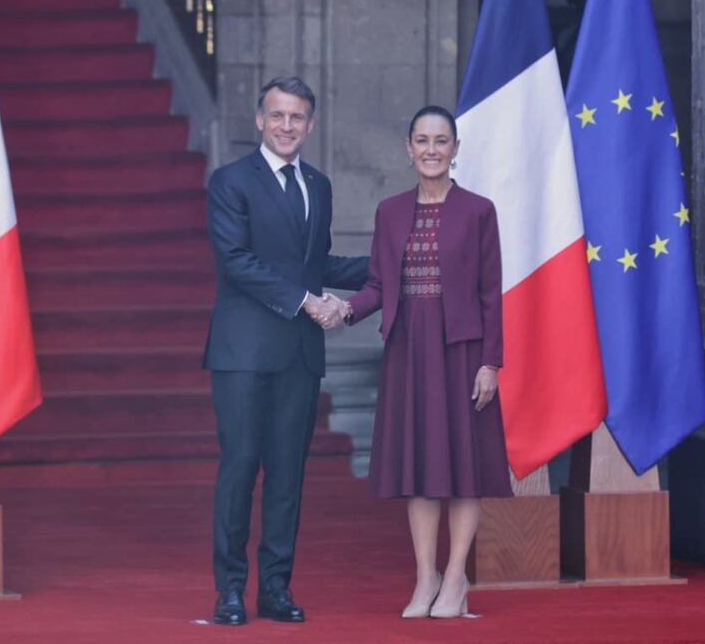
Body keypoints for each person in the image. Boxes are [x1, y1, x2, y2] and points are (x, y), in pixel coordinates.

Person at [202, 76, 369, 626]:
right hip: (244, 353)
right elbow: (237, 262)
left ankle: (275, 588)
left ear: (311, 125)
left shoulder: (318, 185)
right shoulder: (230, 181)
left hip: (298, 354)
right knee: (240, 468)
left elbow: (314, 264)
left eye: (297, 117)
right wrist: (306, 302)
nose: (286, 125)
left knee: (288, 476)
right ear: (259, 119)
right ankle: (230, 590)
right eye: (277, 115)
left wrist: (392, 263)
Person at [340, 105, 512, 619]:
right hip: (409, 353)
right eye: (422, 140)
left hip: (462, 352)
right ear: (408, 149)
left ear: (455, 150)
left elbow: (491, 293)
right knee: (419, 465)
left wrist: (491, 363)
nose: (431, 150)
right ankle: (425, 577)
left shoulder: (479, 211)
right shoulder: (390, 211)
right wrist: (345, 310)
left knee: (463, 466)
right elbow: (378, 284)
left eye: (441, 141)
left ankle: (455, 577)